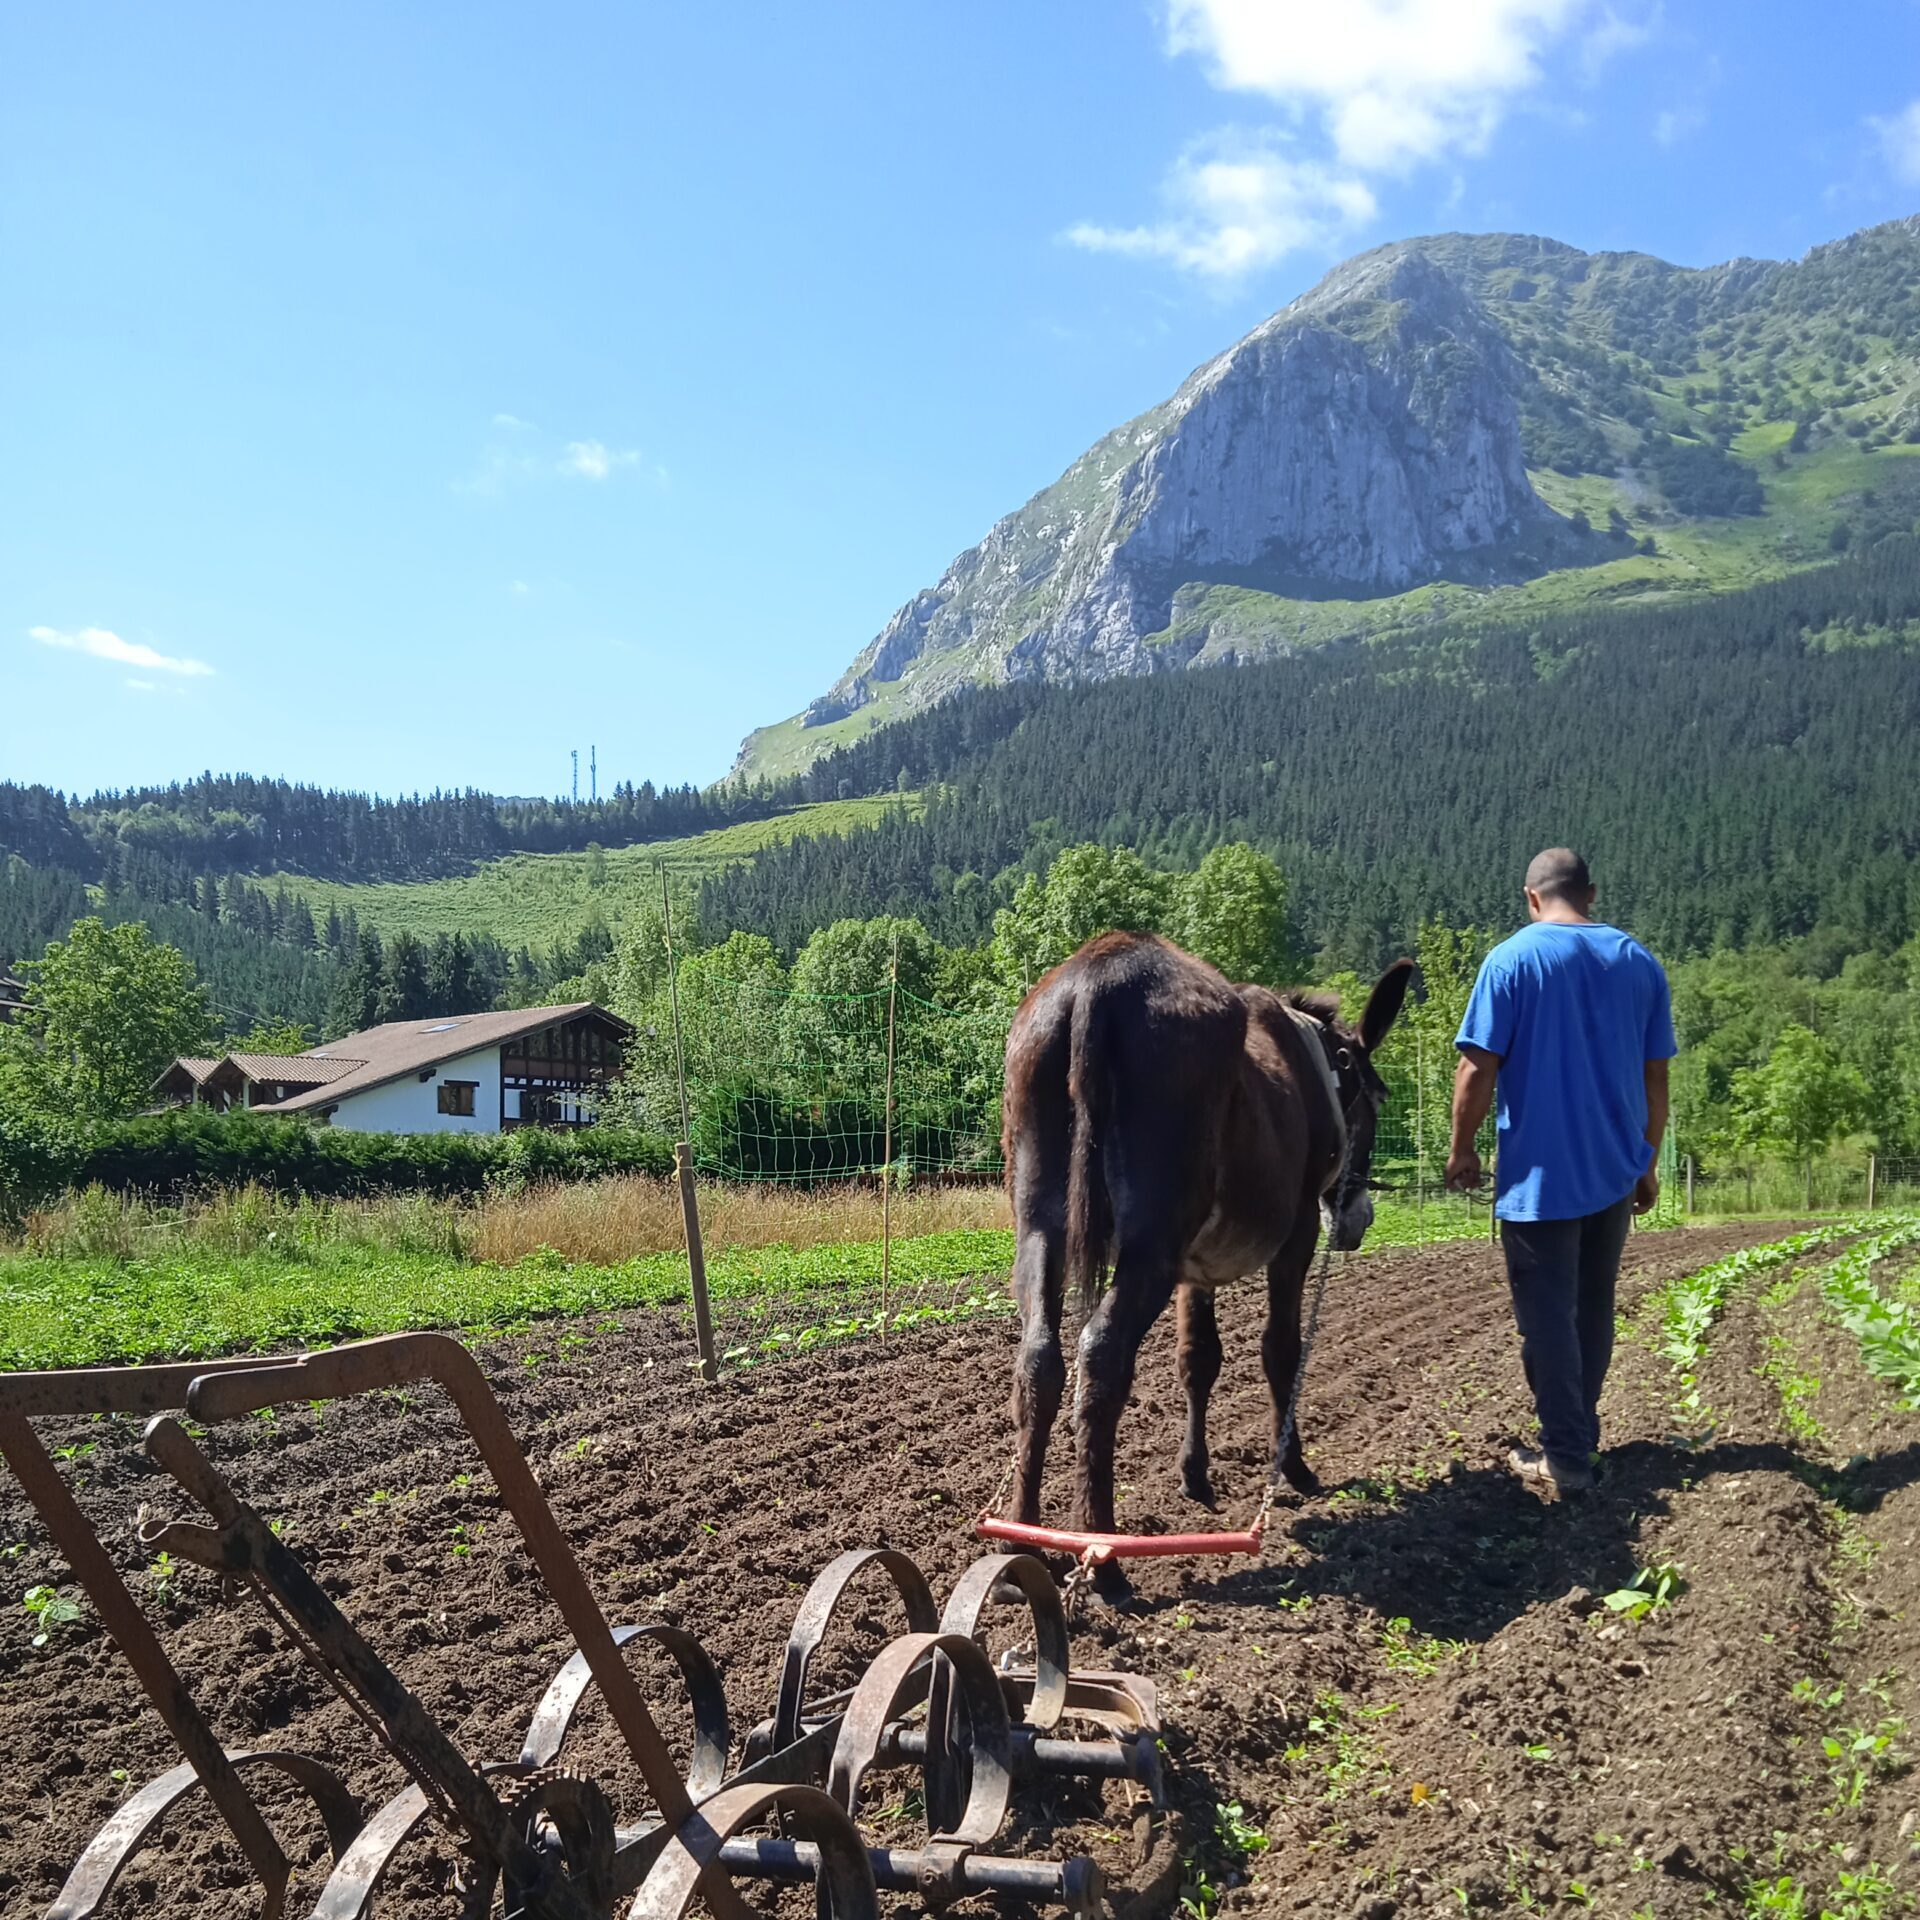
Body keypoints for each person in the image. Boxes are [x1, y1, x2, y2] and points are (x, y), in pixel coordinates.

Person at [1445, 848, 1675, 1495]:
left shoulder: (1511, 959)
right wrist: (1646, 1162)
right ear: (1591, 894)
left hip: (1539, 1179)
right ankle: (1578, 1436)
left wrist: (1462, 1149)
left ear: (1531, 897)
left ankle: (1568, 1455)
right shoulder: (1639, 962)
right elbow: (1656, 1076)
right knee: (1592, 1306)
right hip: (1613, 1170)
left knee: (1547, 1317)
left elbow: (1477, 1068)